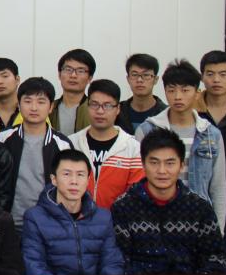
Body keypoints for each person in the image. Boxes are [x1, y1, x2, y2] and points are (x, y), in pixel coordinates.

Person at [111, 127, 226, 274]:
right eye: (154, 162)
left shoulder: (200, 208)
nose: (162, 171)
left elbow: (216, 259)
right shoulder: (123, 207)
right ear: (143, 165)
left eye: (170, 163)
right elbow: (119, 262)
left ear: (181, 166)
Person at [136, 60, 226, 233]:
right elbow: (138, 181)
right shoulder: (147, 130)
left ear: (197, 93)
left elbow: (218, 187)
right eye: (171, 90)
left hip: (200, 222)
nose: (177, 96)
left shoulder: (210, 134)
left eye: (185, 90)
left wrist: (218, 231)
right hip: (155, 220)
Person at [21, 149, 124, 275]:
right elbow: (34, 265)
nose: (74, 181)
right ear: (54, 179)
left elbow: (112, 263)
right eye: (67, 174)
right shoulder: (35, 217)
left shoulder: (103, 217)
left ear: (88, 179)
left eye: (80, 175)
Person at [0, 77, 72, 228]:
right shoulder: (3, 138)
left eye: (41, 102)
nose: (34, 107)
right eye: (28, 101)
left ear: (51, 107)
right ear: (19, 105)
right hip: (9, 223)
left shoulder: (62, 144)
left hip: (48, 225)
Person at [69, 80, 144, 209]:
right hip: (75, 219)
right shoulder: (72, 144)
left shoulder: (133, 149)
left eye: (107, 106)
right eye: (94, 105)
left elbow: (135, 193)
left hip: (118, 219)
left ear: (118, 109)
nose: (100, 111)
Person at [50, 49, 95, 136]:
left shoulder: (95, 110)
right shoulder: (49, 108)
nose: (73, 75)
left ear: (90, 78)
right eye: (68, 69)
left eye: (80, 71)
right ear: (59, 74)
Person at [117, 53, 166, 134]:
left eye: (146, 75)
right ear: (128, 79)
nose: (139, 80)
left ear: (156, 79)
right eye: (134, 75)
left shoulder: (166, 114)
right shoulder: (117, 112)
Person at [195, 49, 226, 157]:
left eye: (223, 74)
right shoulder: (191, 110)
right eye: (210, 74)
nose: (216, 80)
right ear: (201, 77)